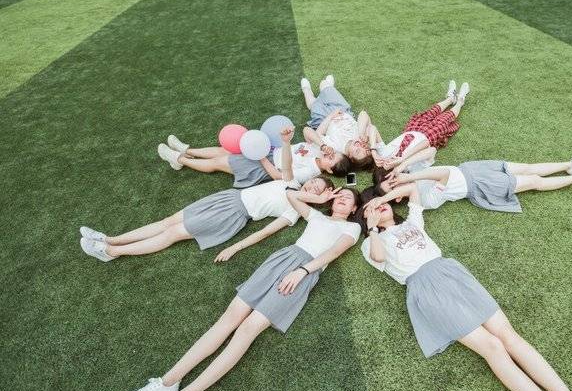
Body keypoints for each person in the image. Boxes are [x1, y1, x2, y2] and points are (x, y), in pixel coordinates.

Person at [358, 183, 572, 391]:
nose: (379, 206)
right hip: (425, 289)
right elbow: (379, 257)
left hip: (451, 273)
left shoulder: (412, 223)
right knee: (493, 347)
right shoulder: (371, 241)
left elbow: (414, 190)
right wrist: (371, 227)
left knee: (509, 336)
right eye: (371, 206)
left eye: (380, 202)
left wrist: (382, 197)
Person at [114, 187, 361, 391]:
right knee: (228, 319)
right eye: (339, 195)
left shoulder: (352, 227)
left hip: (303, 273)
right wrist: (320, 198)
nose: (341, 198)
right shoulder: (316, 216)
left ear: (354, 208)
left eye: (348, 198)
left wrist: (303, 271)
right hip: (281, 260)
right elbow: (291, 195)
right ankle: (167, 382)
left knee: (247, 330)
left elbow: (334, 252)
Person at [79, 128, 333, 261]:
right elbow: (286, 164)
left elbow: (265, 232)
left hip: (233, 216)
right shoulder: (290, 182)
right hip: (228, 197)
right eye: (313, 183)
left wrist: (235, 248)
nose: (311, 187)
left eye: (317, 190)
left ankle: (111, 252)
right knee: (168, 222)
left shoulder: (295, 211)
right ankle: (111, 239)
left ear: (318, 198)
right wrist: (286, 143)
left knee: (172, 233)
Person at [372, 148, 572, 213]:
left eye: (392, 180)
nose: (396, 182)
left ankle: (571, 164)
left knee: (527, 167)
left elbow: (431, 151)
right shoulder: (424, 201)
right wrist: (409, 177)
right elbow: (444, 174)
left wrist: (401, 166)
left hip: (473, 168)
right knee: (534, 181)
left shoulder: (411, 174)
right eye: (393, 187)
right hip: (479, 186)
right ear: (398, 197)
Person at [156, 124, 350, 188]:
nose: (330, 154)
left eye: (332, 158)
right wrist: (323, 145)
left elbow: (279, 176)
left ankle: (178, 159)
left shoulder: (310, 173)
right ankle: (187, 150)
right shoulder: (318, 150)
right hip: (269, 150)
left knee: (219, 162)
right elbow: (307, 130)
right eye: (334, 153)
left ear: (329, 170)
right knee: (225, 150)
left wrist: (260, 156)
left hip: (263, 164)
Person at [369, 80, 470, 173]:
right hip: (429, 136)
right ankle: (460, 101)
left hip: (412, 129)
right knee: (445, 118)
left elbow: (372, 128)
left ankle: (450, 98)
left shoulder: (383, 154)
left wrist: (373, 150)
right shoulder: (408, 167)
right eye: (389, 166)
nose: (388, 162)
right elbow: (431, 148)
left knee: (432, 111)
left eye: (385, 164)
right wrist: (403, 159)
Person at [301, 74, 373, 169]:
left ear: (350, 157)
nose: (359, 145)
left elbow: (317, 133)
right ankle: (327, 87)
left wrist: (331, 116)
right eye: (364, 147)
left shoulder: (336, 149)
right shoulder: (361, 136)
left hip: (324, 119)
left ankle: (306, 90)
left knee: (312, 103)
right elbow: (363, 114)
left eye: (357, 151)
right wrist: (361, 133)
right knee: (324, 84)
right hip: (342, 110)